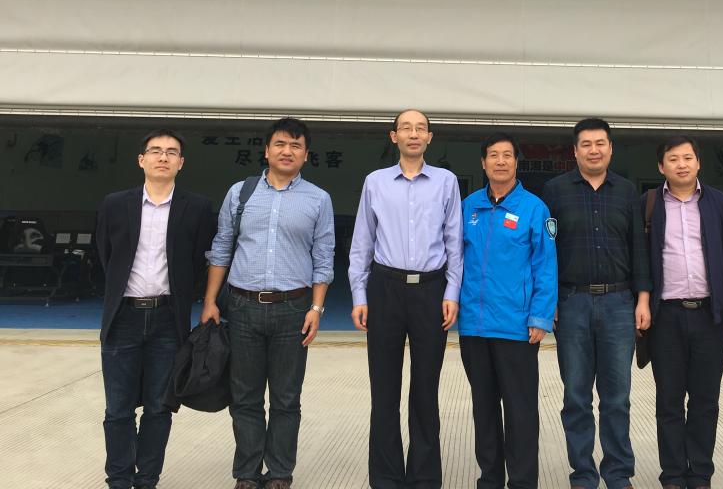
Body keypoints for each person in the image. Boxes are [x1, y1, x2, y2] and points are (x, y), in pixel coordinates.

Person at [202, 117, 335, 489]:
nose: (287, 151)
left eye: (295, 146)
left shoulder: (318, 199)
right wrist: (210, 301)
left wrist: (317, 308)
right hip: (242, 307)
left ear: (306, 155)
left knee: (286, 398)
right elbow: (221, 248)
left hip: (293, 309)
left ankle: (279, 473)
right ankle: (247, 473)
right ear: (266, 150)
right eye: (280, 144)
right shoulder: (240, 193)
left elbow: (323, 257)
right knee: (244, 396)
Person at [348, 109, 463, 489]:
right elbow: (362, 242)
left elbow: (454, 242)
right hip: (385, 288)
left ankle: (425, 477)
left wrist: (451, 291)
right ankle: (385, 478)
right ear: (393, 136)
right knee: (384, 389)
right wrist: (359, 294)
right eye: (406, 128)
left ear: (430, 137)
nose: (413, 134)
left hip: (431, 290)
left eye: (421, 128)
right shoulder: (375, 182)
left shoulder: (445, 182)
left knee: (425, 389)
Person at [96, 128, 216, 489]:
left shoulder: (197, 207)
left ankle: (147, 479)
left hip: (168, 319)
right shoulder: (115, 204)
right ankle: (119, 479)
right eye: (155, 150)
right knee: (118, 408)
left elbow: (199, 260)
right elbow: (106, 254)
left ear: (181, 163)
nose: (163, 157)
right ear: (141, 159)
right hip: (123, 317)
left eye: (171, 152)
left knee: (159, 406)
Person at [542, 118, 652, 489]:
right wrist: (550, 300)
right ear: (575, 151)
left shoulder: (626, 191)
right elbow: (546, 251)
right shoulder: (555, 191)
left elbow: (639, 249)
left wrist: (643, 298)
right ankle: (583, 475)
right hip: (571, 302)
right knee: (576, 396)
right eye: (586, 144)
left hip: (619, 303)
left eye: (600, 143)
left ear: (610, 148)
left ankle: (618, 473)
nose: (594, 150)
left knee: (617, 398)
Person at [459, 133, 557, 489]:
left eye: (507, 155)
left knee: (520, 411)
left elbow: (545, 265)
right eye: (493, 155)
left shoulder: (534, 208)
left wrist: (540, 316)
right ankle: (489, 479)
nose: (500, 161)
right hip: (474, 326)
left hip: (517, 327)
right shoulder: (468, 206)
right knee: (483, 409)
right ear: (483, 163)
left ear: (517, 162)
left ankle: (522, 481)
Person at [642, 135, 723, 489]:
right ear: (660, 166)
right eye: (673, 158)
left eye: (687, 158)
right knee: (668, 400)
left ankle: (700, 474)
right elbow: (641, 258)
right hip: (665, 316)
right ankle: (672, 475)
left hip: (709, 316)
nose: (681, 164)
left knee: (705, 401)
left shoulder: (720, 203)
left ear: (698, 162)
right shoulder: (648, 204)